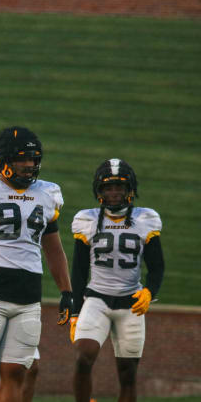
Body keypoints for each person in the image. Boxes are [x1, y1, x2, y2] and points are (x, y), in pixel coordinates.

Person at [0, 127, 73, 402]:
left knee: (16, 373)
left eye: (32, 158)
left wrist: (66, 291)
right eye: (22, 159)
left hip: (29, 298)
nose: (29, 165)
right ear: (2, 160)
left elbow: (54, 250)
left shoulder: (47, 194)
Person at [70, 158, 164, 402]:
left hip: (131, 302)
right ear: (99, 191)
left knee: (128, 374)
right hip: (97, 298)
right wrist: (75, 311)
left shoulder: (146, 219)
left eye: (119, 187)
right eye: (108, 187)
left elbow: (157, 266)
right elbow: (79, 269)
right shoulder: (87, 219)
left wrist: (149, 292)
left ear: (129, 189)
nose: (113, 193)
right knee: (83, 357)